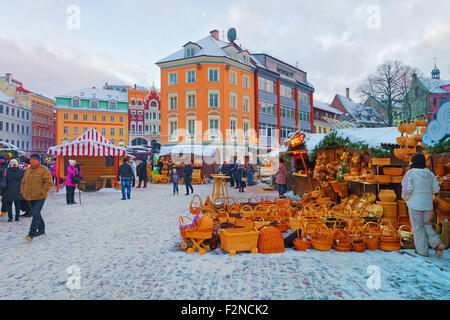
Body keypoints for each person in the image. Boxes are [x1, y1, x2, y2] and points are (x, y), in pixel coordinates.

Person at [402, 153, 445, 258]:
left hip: (414, 204)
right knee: (426, 225)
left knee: (417, 227)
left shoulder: (410, 173)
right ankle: (437, 243)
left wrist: (406, 199)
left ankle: (422, 251)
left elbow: (407, 189)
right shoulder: (430, 173)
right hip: (427, 204)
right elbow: (436, 189)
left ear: (414, 162)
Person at [21, 154, 53, 241]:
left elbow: (49, 182)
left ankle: (31, 233)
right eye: (31, 159)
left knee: (35, 213)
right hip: (29, 196)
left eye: (34, 160)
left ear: (38, 160)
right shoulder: (28, 170)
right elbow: (23, 182)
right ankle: (42, 230)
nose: (32, 161)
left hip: (40, 196)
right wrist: (23, 191)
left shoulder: (44, 170)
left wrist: (42, 191)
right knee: (37, 213)